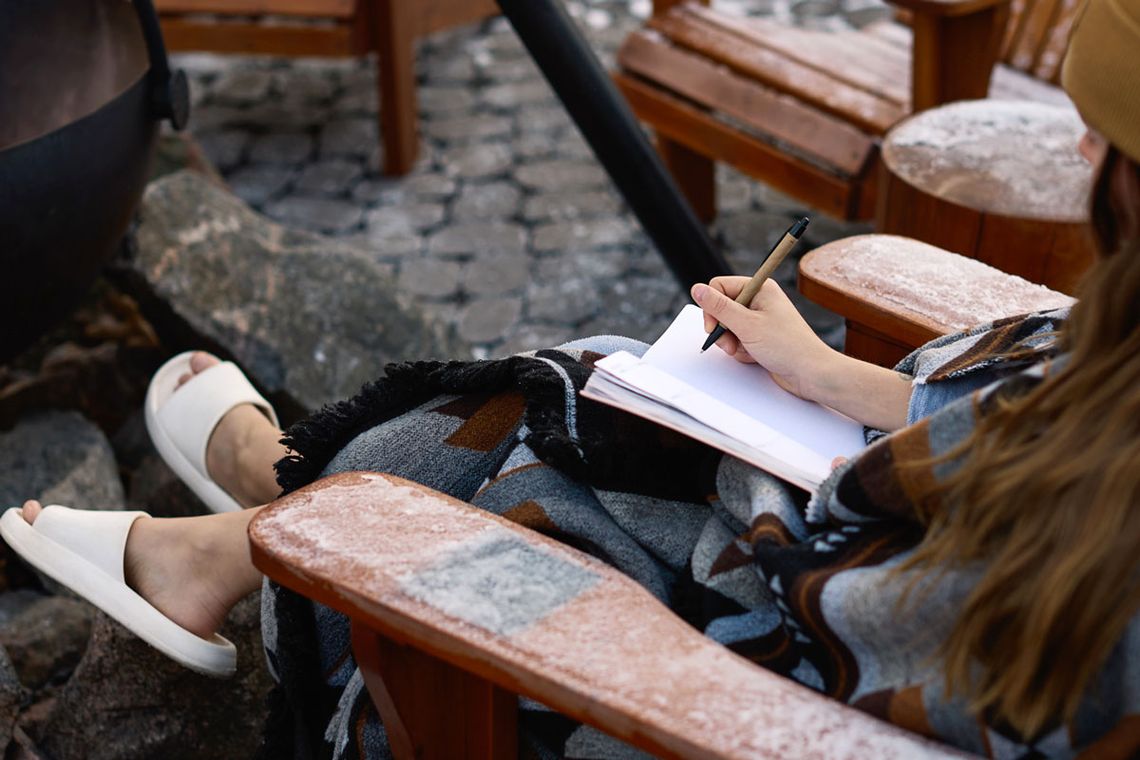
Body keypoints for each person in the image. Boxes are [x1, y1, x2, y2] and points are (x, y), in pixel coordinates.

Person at [5, 0, 1140, 755]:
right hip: (859, 538)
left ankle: (254, 530)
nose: (1083, 156)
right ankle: (278, 508)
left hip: (740, 670)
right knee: (597, 385)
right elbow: (1050, 420)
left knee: (534, 458)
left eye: (1115, 144)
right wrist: (835, 378)